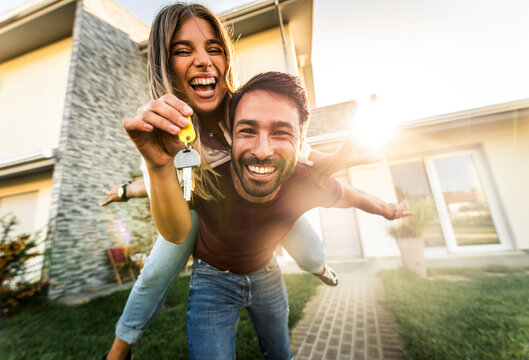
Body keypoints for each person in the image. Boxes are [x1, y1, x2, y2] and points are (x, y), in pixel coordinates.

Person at [103, 3, 380, 359]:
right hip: (206, 216)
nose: (203, 60)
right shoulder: (163, 135)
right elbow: (167, 204)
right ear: (165, 65)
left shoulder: (252, 109)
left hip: (261, 207)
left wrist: (349, 153)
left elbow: (315, 163)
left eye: (213, 49)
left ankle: (321, 268)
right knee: (156, 270)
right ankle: (121, 344)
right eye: (183, 50)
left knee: (311, 249)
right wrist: (137, 182)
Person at [121, 71, 411, 359]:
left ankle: (322, 269)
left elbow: (356, 197)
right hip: (212, 281)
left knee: (281, 352)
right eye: (247, 130)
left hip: (266, 275)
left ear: (300, 147)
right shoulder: (205, 180)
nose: (262, 151)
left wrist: (389, 210)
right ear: (229, 138)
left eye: (281, 133)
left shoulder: (306, 181)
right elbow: (152, 187)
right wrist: (125, 189)